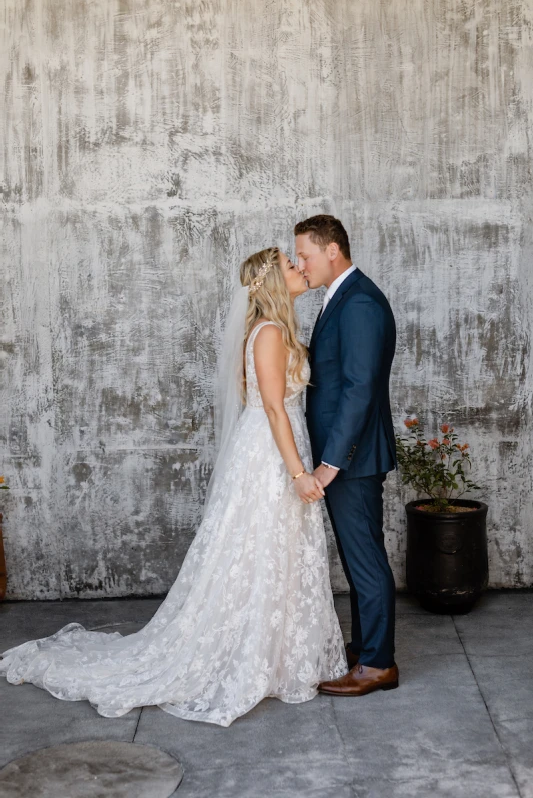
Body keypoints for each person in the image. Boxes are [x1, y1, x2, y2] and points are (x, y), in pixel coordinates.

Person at [0, 247, 346, 727]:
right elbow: (271, 409)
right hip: (272, 455)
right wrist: (298, 474)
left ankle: (278, 656)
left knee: (276, 550)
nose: (299, 268)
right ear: (271, 283)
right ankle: (254, 655)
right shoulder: (268, 334)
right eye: (291, 265)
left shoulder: (275, 330)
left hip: (279, 446)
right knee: (260, 549)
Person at [294, 214, 399, 696]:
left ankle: (378, 664)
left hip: (351, 459)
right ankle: (364, 647)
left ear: (332, 250)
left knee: (365, 559)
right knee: (360, 558)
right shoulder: (341, 299)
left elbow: (359, 389)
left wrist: (330, 462)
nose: (301, 264)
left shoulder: (359, 303)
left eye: (305, 255)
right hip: (347, 457)